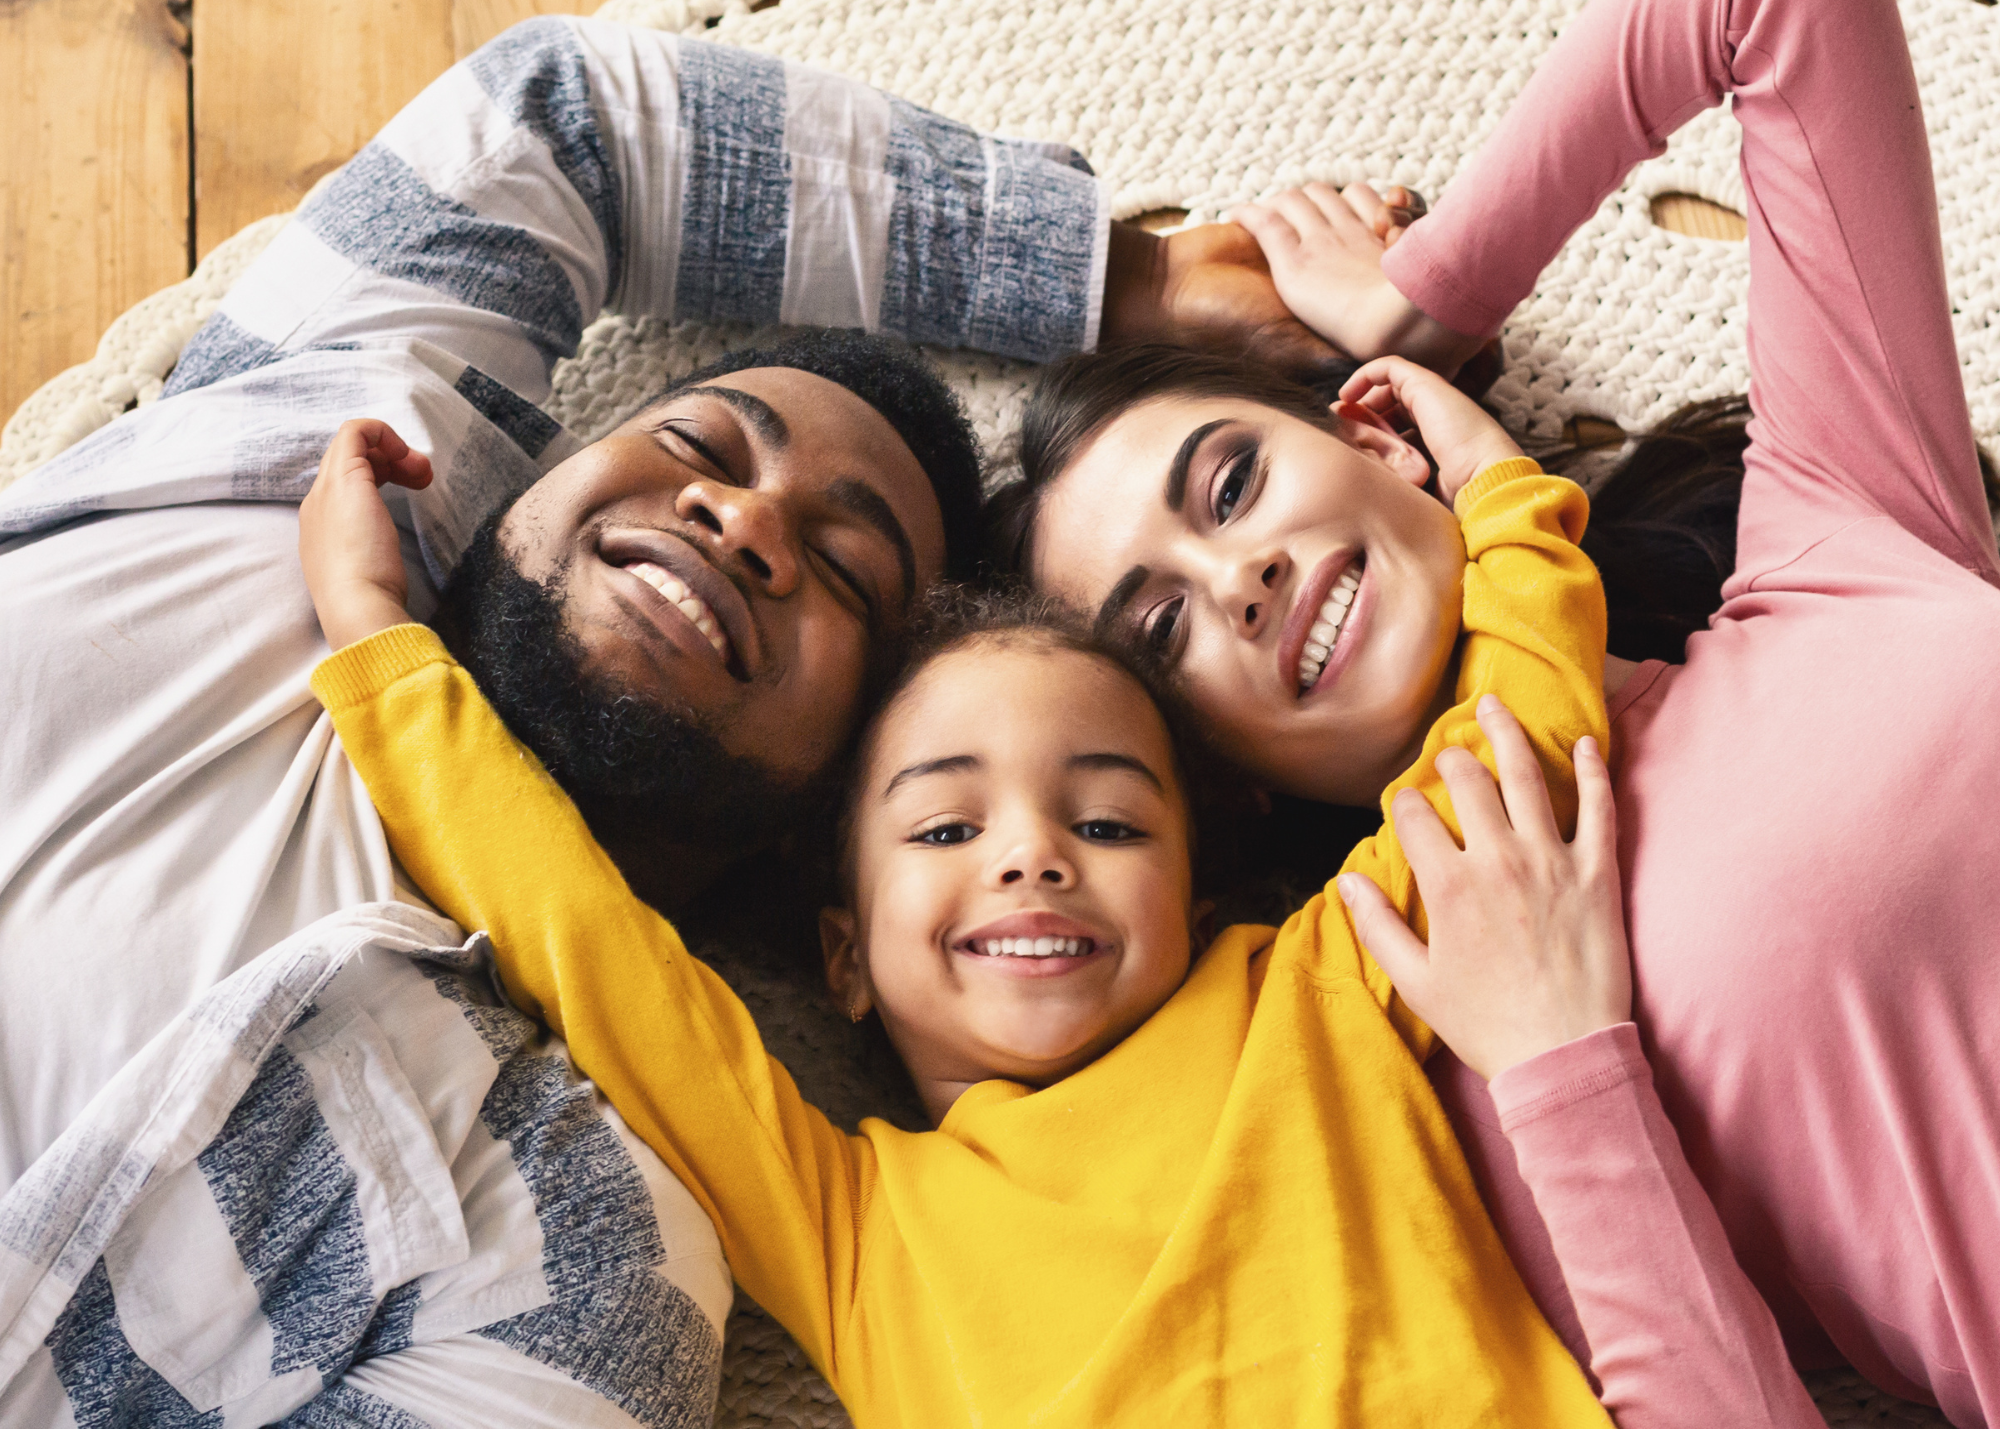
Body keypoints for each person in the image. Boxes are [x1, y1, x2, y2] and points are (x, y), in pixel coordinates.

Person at [0, 15, 1319, 1422]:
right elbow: (561, 119)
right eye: (696, 446)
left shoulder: (589, 1264)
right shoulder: (336, 451)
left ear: (836, 816)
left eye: (845, 572)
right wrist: (1128, 274)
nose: (745, 517)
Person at [271, 319, 1825, 1424]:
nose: (1031, 857)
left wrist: (1504, 503)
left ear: (1204, 892)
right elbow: (590, 950)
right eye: (946, 832)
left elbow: (1512, 741)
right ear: (841, 955)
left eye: (1112, 823)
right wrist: (381, 648)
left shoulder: (1322, 991)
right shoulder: (850, 1223)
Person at [993, 0, 2000, 1418]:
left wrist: (1431, 299)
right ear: (1216, 776)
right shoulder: (1460, 1075)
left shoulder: (1834, 528)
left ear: (1381, 435)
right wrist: (1562, 1066)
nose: (1243, 578)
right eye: (1160, 632)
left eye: (1231, 488)